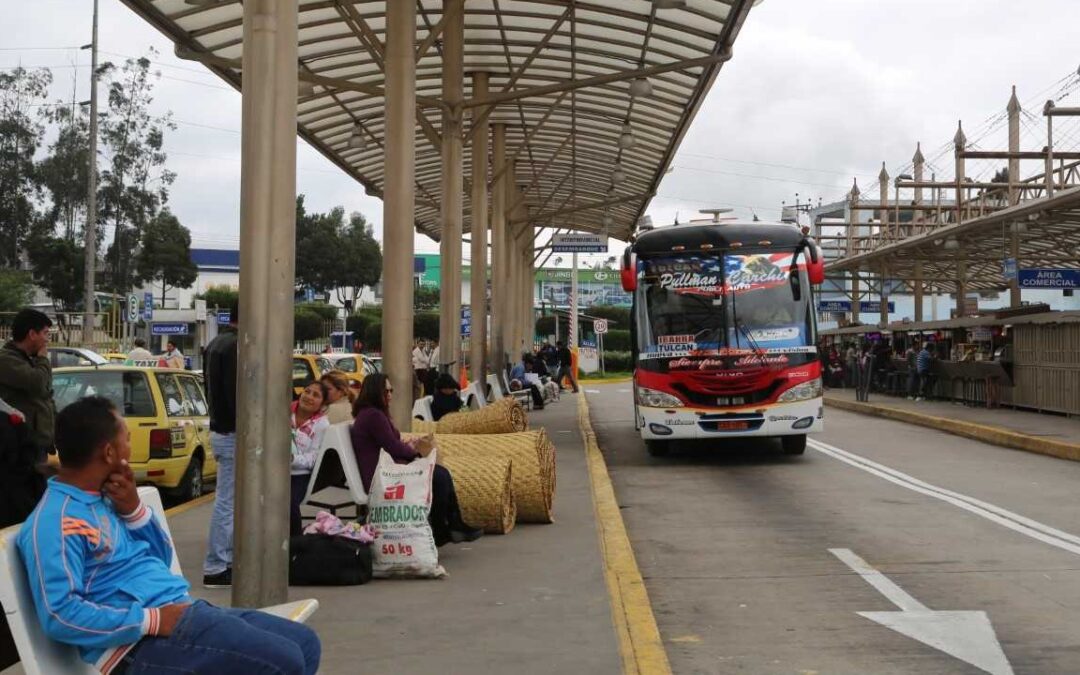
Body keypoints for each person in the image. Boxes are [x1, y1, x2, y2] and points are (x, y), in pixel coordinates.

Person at [16, 396, 320, 674]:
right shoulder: (57, 521)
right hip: (137, 646)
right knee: (284, 662)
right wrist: (152, 620)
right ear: (109, 452)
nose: (130, 447)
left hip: (180, 613)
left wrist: (134, 510)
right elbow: (60, 615)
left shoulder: (105, 498)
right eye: (128, 440)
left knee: (304, 643)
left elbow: (161, 559)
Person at [350, 374, 481, 546]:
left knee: (440, 474)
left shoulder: (371, 414)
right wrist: (415, 453)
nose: (390, 394)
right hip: (381, 477)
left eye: (391, 390)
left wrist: (409, 448)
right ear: (375, 392)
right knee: (439, 476)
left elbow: (391, 443)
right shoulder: (373, 416)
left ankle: (451, 524)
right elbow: (392, 446)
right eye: (386, 391)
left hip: (386, 470)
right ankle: (444, 527)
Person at [202, 303, 238, 588]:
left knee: (228, 500)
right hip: (235, 432)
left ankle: (223, 560)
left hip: (219, 428)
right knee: (228, 501)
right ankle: (216, 565)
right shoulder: (238, 346)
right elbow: (236, 394)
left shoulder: (215, 343)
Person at [0, 308, 55, 464]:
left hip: (36, 446)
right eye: (45, 333)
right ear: (32, 334)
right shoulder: (6, 360)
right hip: (18, 448)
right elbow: (36, 382)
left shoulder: (29, 360)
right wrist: (43, 359)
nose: (47, 340)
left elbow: (46, 394)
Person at [290, 382, 330, 537]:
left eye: (316, 395)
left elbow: (314, 458)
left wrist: (293, 459)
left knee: (289, 503)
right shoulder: (283, 411)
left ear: (322, 403)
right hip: (275, 471)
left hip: (300, 475)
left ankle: (294, 545)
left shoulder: (321, 424)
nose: (309, 397)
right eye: (307, 391)